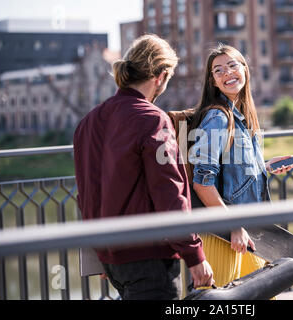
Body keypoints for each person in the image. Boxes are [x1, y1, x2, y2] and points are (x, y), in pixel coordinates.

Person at [73, 34, 214, 300]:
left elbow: (87, 194)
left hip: (112, 258)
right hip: (148, 257)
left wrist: (103, 252)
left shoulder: (87, 122)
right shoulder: (152, 119)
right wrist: (194, 255)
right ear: (160, 76)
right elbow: (169, 192)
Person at [188, 44, 293, 288]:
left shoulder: (241, 117)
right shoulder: (217, 118)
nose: (227, 73)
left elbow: (231, 172)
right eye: (218, 70)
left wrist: (263, 167)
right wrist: (233, 226)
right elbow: (202, 183)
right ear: (213, 82)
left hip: (250, 233)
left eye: (232, 65)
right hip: (225, 235)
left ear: (245, 70)